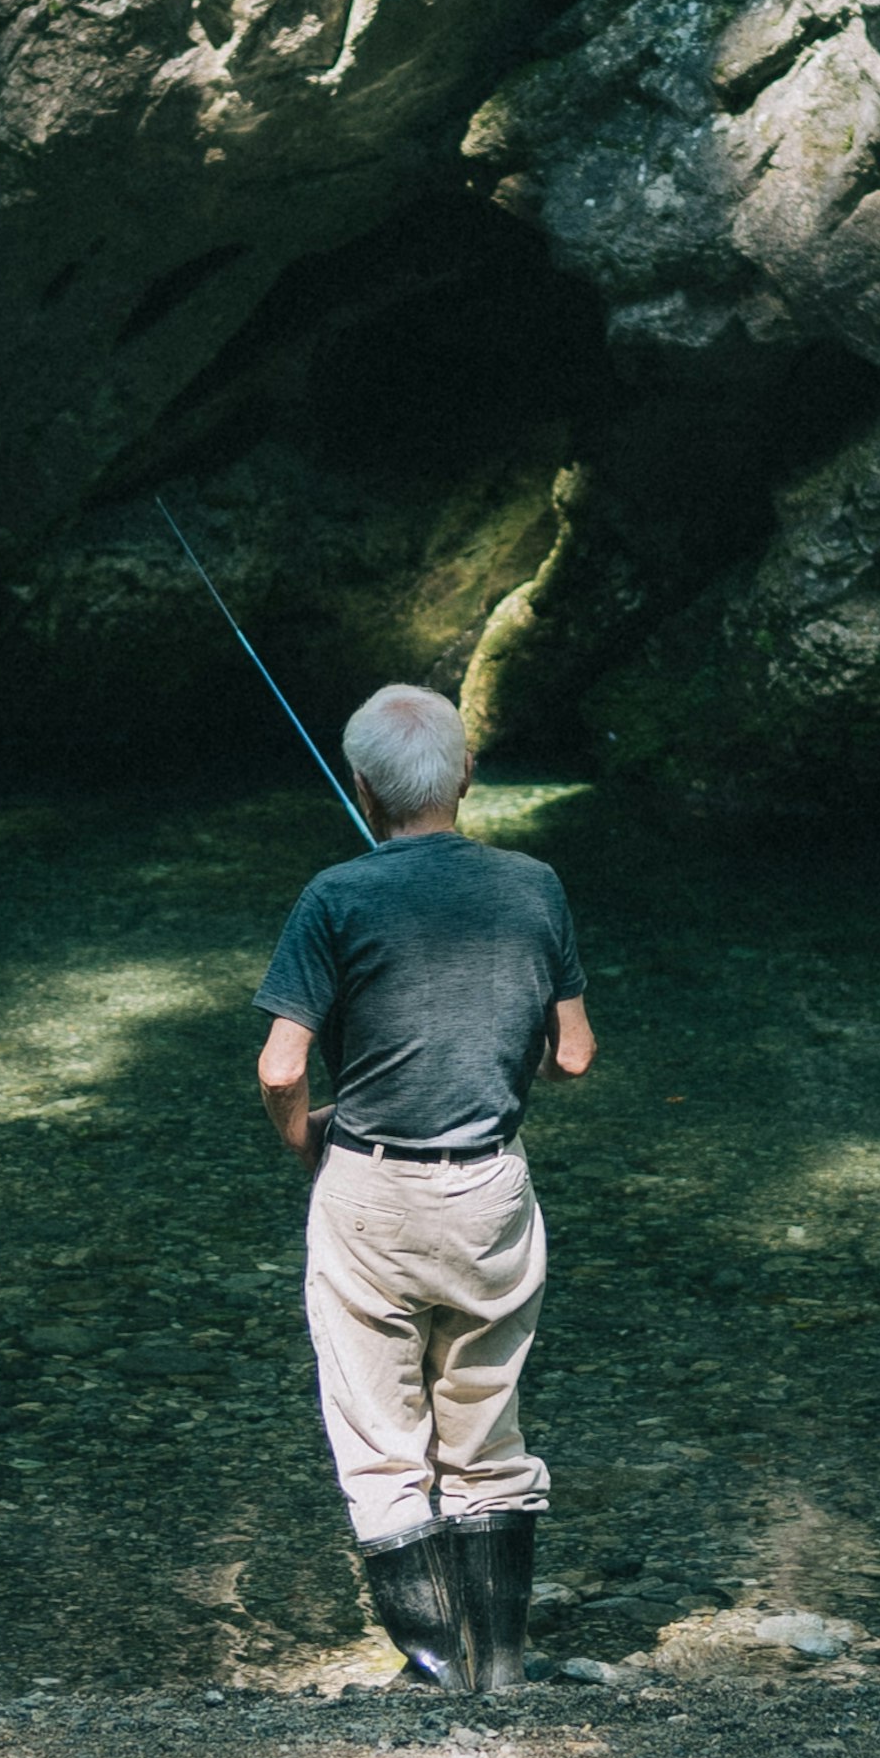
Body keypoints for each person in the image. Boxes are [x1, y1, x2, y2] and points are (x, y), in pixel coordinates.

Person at [253, 682, 594, 1700]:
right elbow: (572, 1054)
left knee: (379, 1435)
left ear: (361, 786)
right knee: (486, 1429)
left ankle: (433, 1663)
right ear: (467, 776)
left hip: (370, 1187)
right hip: (489, 1187)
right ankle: (499, 1665)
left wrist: (305, 1139)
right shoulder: (537, 886)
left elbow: (280, 1067)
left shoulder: (334, 896)